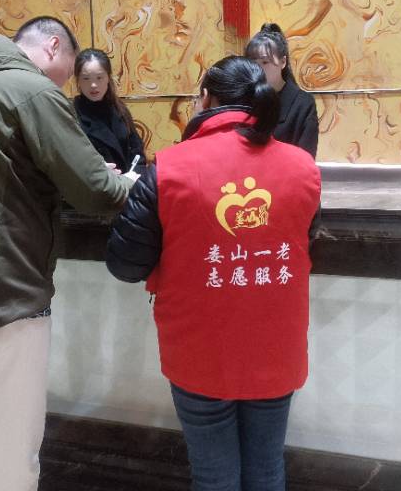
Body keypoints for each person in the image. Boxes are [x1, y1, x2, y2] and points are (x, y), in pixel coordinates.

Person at [0, 17, 136, 491]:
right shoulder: (31, 90)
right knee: (15, 448)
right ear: (54, 46)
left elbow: (5, 174)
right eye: (69, 70)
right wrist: (130, 183)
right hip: (7, 294)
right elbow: (98, 192)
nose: (67, 83)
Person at [106, 57, 322, 491]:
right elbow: (307, 236)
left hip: (199, 351)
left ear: (205, 99)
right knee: (267, 471)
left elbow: (125, 264)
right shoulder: (303, 168)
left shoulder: (168, 169)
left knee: (213, 478)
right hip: (274, 348)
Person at [245, 22, 319, 157]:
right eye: (252, 63)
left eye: (265, 62)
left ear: (283, 62)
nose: (257, 69)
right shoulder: (244, 98)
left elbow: (306, 158)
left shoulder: (302, 103)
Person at [73, 48, 146, 173]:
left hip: (128, 181)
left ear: (108, 77)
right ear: (78, 80)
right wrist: (97, 170)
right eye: (86, 78)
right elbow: (71, 159)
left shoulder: (119, 108)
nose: (93, 85)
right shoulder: (72, 114)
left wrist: (133, 174)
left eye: (99, 77)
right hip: (98, 182)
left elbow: (137, 151)